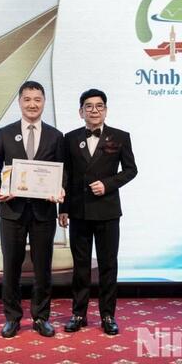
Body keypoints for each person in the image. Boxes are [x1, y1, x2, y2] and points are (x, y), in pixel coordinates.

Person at [0, 80, 64, 338]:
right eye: (27, 99)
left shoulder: (55, 136)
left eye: (37, 99)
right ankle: (12, 318)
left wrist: (60, 190)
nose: (32, 104)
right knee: (11, 267)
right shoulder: (5, 133)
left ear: (44, 102)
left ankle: (41, 317)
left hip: (44, 212)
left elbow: (63, 172)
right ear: (20, 102)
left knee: (43, 268)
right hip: (12, 211)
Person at [58, 88, 137, 335]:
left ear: (106, 110)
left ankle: (108, 315)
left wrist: (108, 184)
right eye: (89, 106)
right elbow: (66, 174)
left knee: (107, 265)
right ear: (81, 112)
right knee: (80, 266)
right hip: (79, 211)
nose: (94, 110)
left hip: (107, 211)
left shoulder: (120, 136)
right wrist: (63, 208)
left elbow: (131, 170)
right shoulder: (70, 138)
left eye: (99, 106)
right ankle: (78, 314)